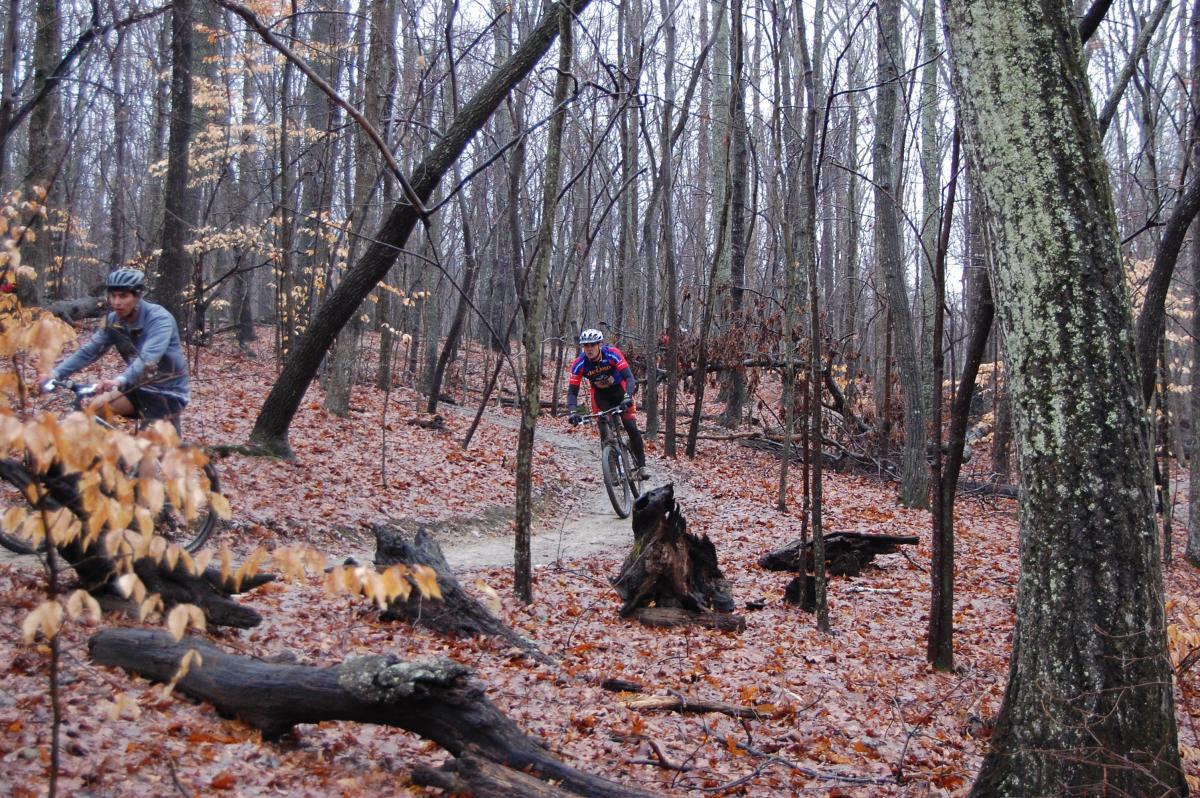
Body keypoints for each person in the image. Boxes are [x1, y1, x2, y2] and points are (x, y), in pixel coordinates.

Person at [39, 268, 190, 431]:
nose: (116, 302)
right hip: (135, 387)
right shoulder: (113, 321)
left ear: (137, 297)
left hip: (167, 394)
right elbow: (89, 351)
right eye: (113, 296)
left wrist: (120, 380)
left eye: (123, 296)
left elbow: (148, 358)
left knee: (156, 453)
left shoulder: (159, 320)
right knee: (95, 411)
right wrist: (55, 374)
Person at [566, 328, 649, 480]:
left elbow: (630, 378)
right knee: (604, 431)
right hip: (601, 397)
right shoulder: (579, 364)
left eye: (592, 345)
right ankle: (612, 473)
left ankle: (642, 466)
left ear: (599, 344)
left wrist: (627, 396)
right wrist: (573, 411)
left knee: (630, 426)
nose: (589, 349)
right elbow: (572, 392)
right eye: (586, 346)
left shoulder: (612, 353)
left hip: (620, 392)